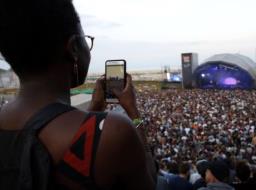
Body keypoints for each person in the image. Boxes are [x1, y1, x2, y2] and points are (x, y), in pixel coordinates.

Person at [0, 0, 156, 189]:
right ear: (73, 48)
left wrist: (94, 110)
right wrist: (134, 113)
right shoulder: (114, 133)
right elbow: (150, 180)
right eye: (86, 39)